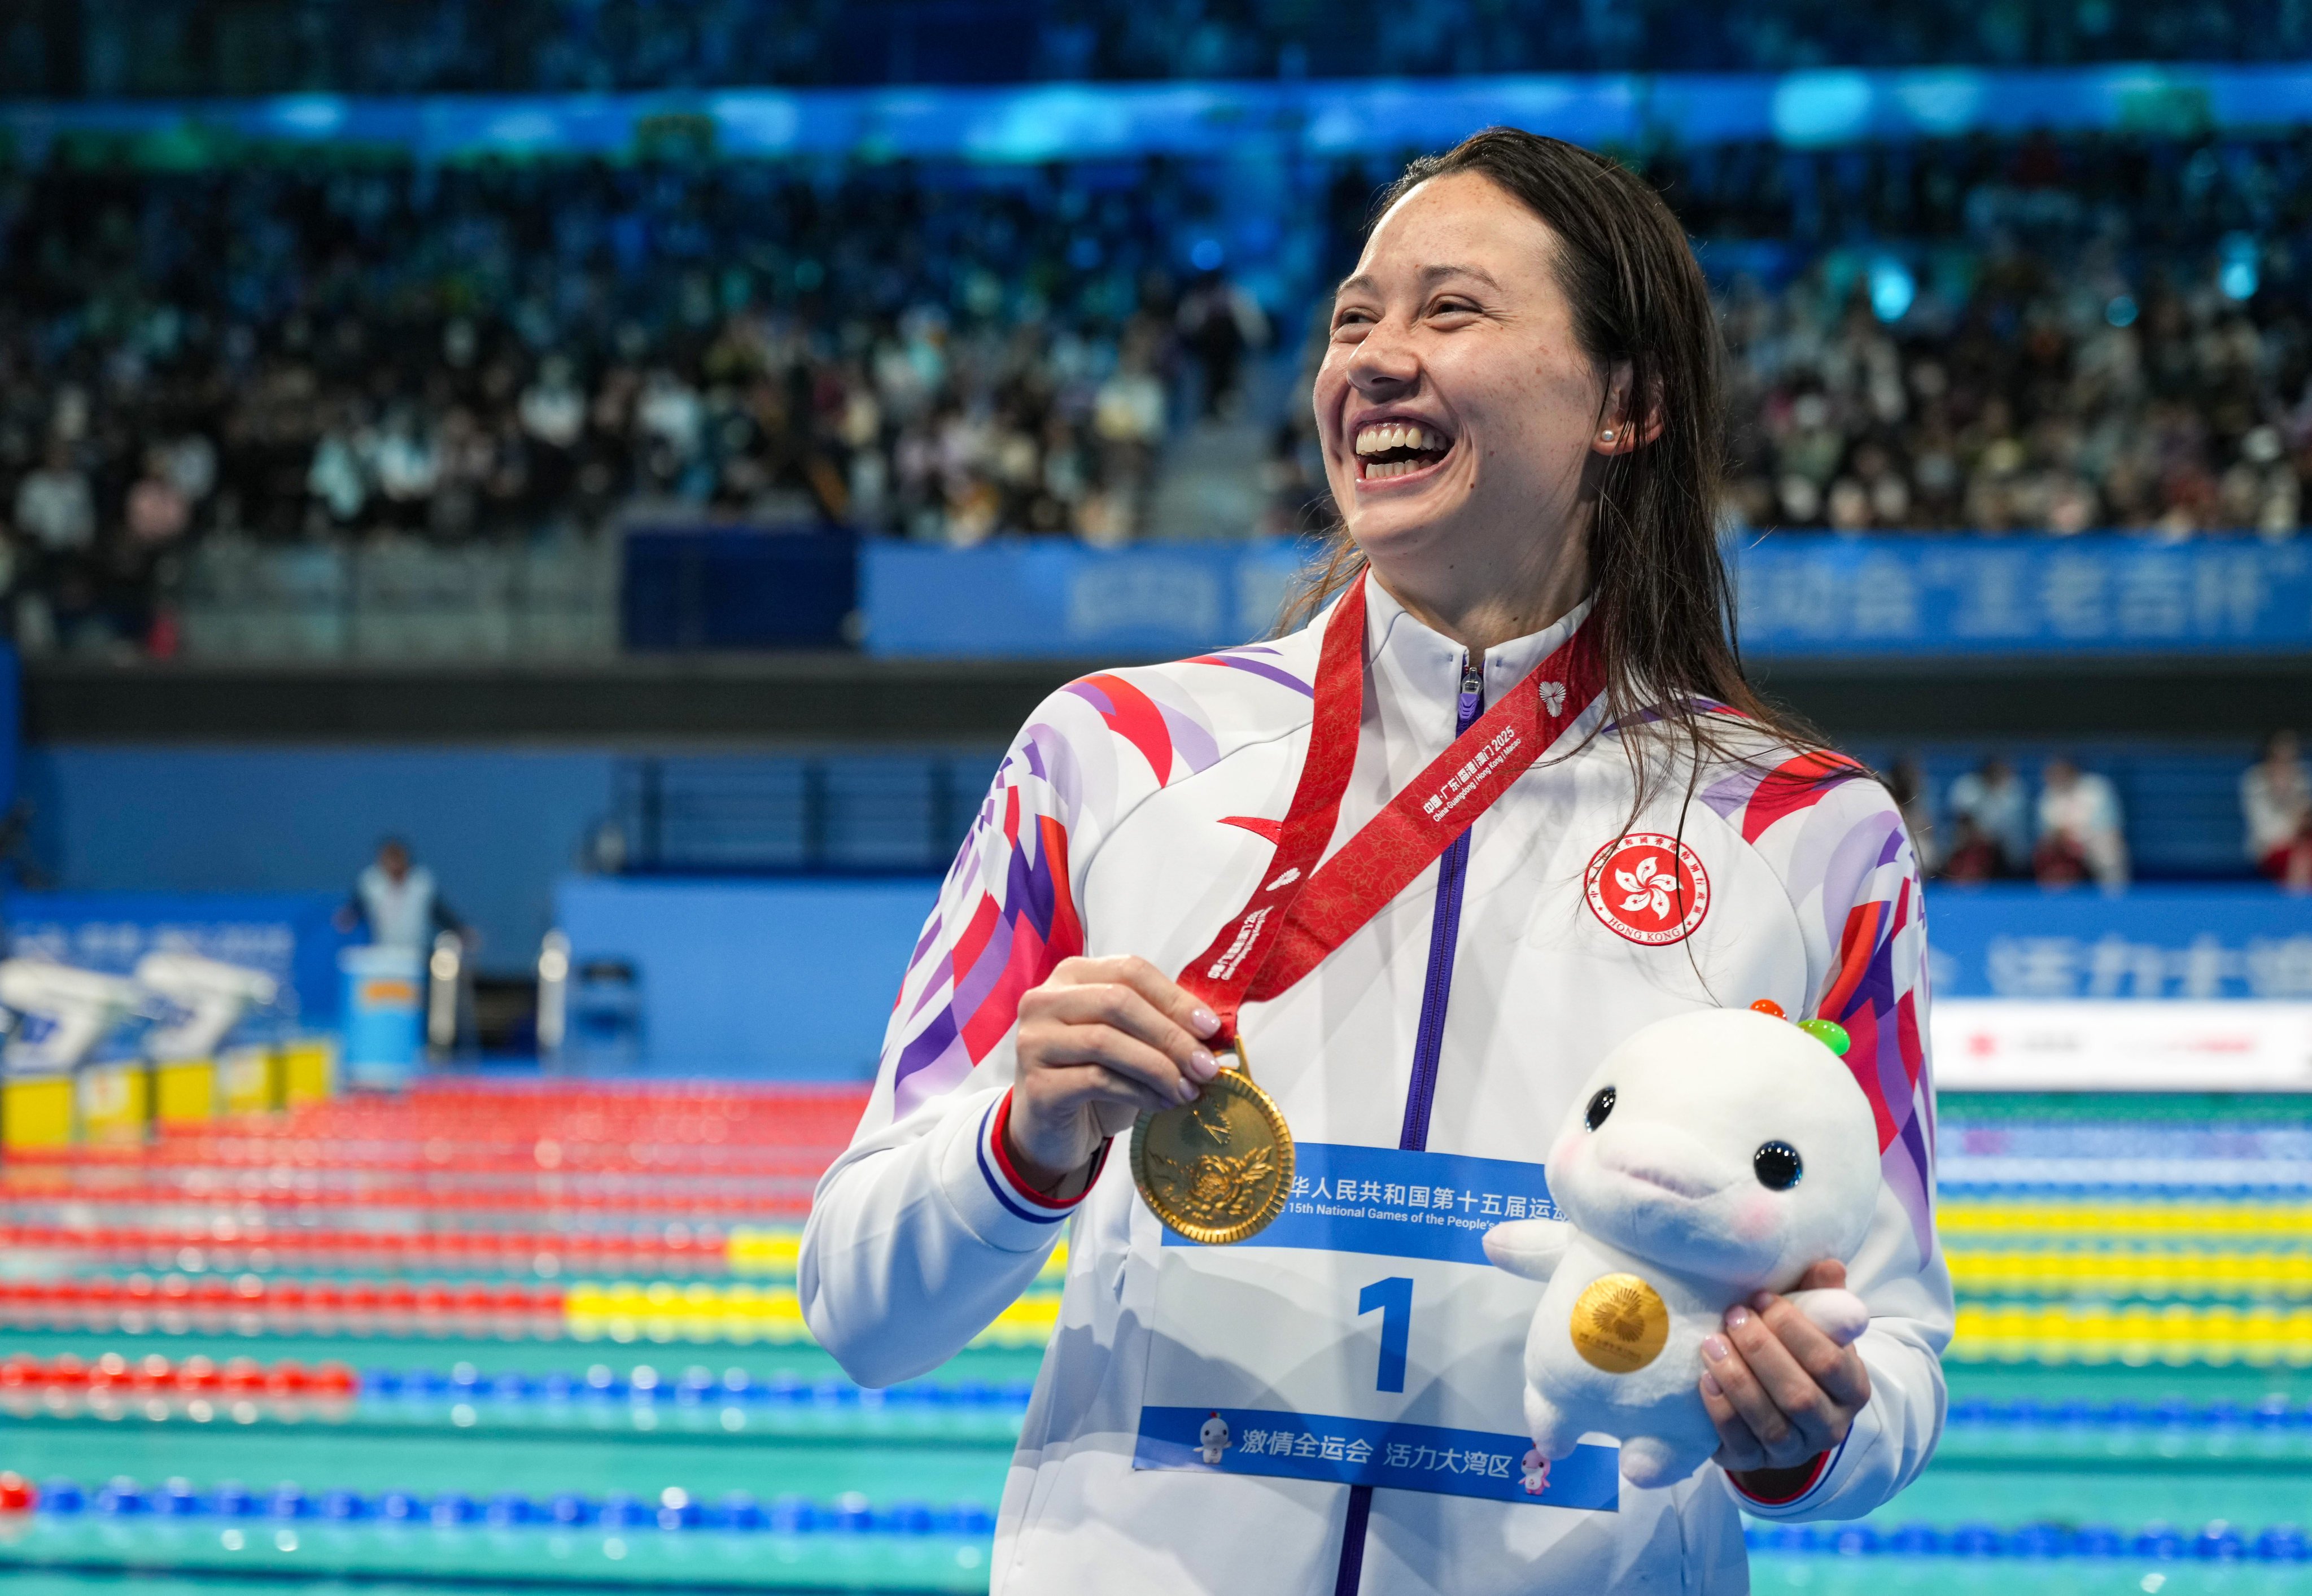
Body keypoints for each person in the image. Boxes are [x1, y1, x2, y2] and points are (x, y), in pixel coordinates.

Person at [799, 130, 1948, 1594]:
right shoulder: (1111, 754)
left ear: (1626, 400)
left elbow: (1892, 1346)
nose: (1373, 360)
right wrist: (1015, 1146)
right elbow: (853, 1304)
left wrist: (1803, 1426)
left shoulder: (1802, 832)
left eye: (1449, 311)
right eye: (1352, 319)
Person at [335, 838, 469, 953]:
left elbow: (439, 913)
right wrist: (348, 916)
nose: (394, 865)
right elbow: (356, 908)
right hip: (382, 951)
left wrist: (460, 930)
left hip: (415, 953)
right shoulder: (371, 883)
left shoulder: (421, 884)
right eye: (389, 859)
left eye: (397, 859)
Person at [2033, 757, 2129, 890]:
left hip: (2096, 840)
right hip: (2065, 844)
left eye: (2060, 773)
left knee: (2108, 848)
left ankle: (2115, 894)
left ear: (2071, 772)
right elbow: (2046, 831)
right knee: (2047, 851)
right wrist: (2065, 838)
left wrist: (2081, 838)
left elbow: (2110, 823)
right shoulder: (2048, 796)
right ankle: (2056, 898)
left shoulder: (2097, 788)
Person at [2242, 730, 2312, 891]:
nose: (2284, 764)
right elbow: (2264, 832)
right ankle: (2295, 903)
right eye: (2279, 758)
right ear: (2269, 756)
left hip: (2301, 844)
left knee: (2304, 851)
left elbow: (2306, 818)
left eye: (2290, 759)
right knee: (2301, 856)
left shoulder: (2302, 779)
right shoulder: (2255, 782)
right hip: (2269, 848)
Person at [1943, 756, 2030, 877]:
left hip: (2001, 843)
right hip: (1968, 837)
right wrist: (1976, 833)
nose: (1997, 775)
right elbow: (1962, 817)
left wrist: (1988, 835)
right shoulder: (1968, 786)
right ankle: (1963, 875)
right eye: (1994, 771)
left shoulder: (2014, 788)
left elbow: (2010, 825)